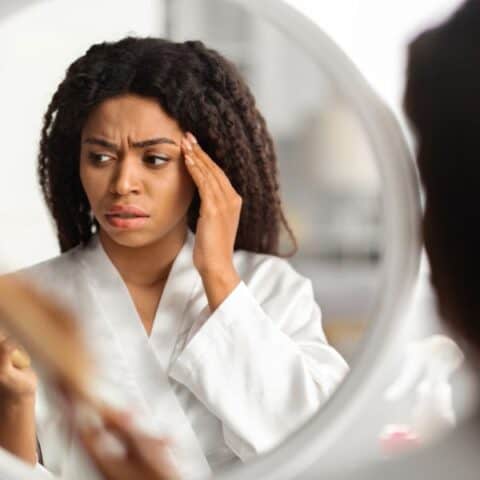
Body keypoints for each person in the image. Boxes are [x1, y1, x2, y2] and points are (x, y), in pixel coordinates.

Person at [0, 36, 348, 479]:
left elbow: (321, 443)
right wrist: (14, 403)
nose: (123, 182)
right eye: (101, 157)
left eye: (155, 159)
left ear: (207, 167)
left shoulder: (271, 288)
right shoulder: (20, 301)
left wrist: (219, 277)